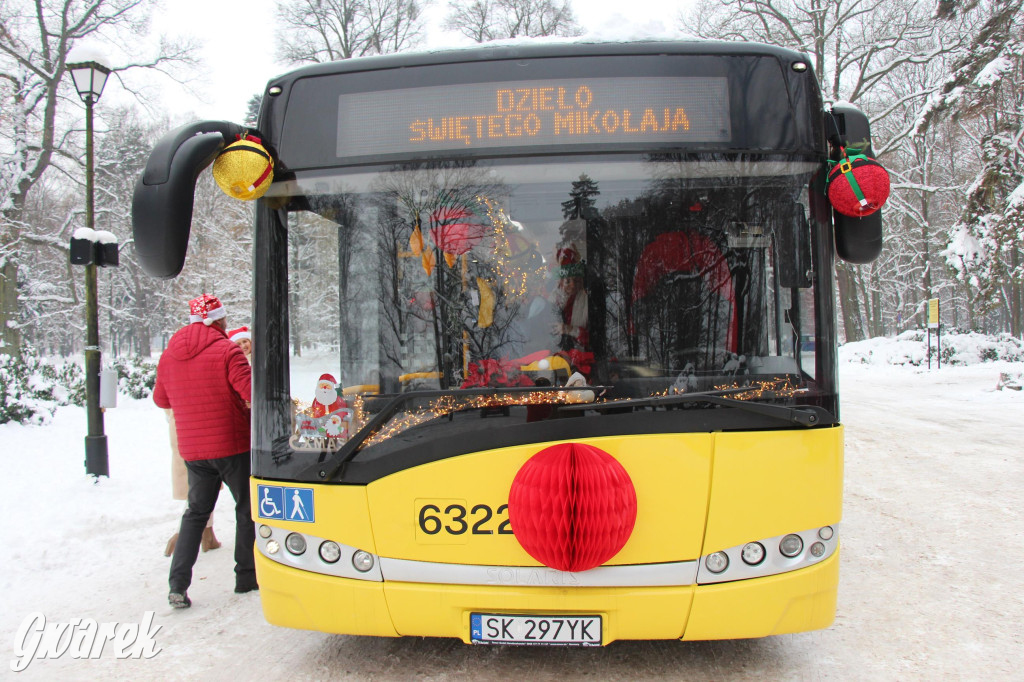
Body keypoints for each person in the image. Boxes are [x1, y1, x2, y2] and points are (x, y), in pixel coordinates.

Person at [153, 294, 255, 609]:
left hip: (194, 451)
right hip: (232, 444)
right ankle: (246, 578)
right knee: (245, 507)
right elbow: (252, 392)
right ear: (219, 321)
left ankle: (178, 585)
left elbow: (161, 399)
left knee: (195, 513)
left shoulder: (169, 356)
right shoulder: (228, 351)